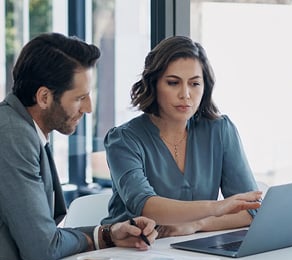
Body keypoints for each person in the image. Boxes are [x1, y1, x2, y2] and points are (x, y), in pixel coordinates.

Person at [0, 33, 157, 260]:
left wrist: (107, 234)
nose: (88, 108)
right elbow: (42, 247)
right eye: (80, 98)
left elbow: (44, 237)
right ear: (43, 97)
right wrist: (98, 238)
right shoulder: (10, 134)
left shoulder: (21, 127)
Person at [101, 36, 262, 238]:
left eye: (195, 84)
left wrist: (197, 224)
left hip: (192, 252)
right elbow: (145, 205)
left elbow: (251, 209)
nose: (185, 94)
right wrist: (217, 207)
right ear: (154, 84)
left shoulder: (220, 130)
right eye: (173, 83)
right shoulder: (123, 140)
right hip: (130, 251)